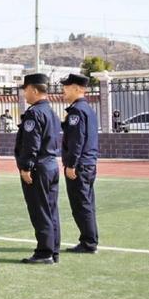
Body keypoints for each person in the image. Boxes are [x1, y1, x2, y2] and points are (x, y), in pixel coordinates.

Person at [14, 73, 62, 264]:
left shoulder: (34, 113)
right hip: (51, 164)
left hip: (38, 167)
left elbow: (31, 144)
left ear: (34, 90)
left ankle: (44, 252)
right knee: (51, 209)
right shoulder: (50, 111)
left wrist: (26, 167)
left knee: (40, 210)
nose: (24, 93)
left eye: (26, 90)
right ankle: (53, 249)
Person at [60, 73, 99, 254]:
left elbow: (77, 140)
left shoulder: (76, 111)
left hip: (80, 165)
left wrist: (71, 164)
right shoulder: (87, 109)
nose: (63, 90)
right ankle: (90, 240)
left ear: (77, 88)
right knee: (87, 203)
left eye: (66, 87)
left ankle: (88, 242)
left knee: (80, 204)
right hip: (88, 163)